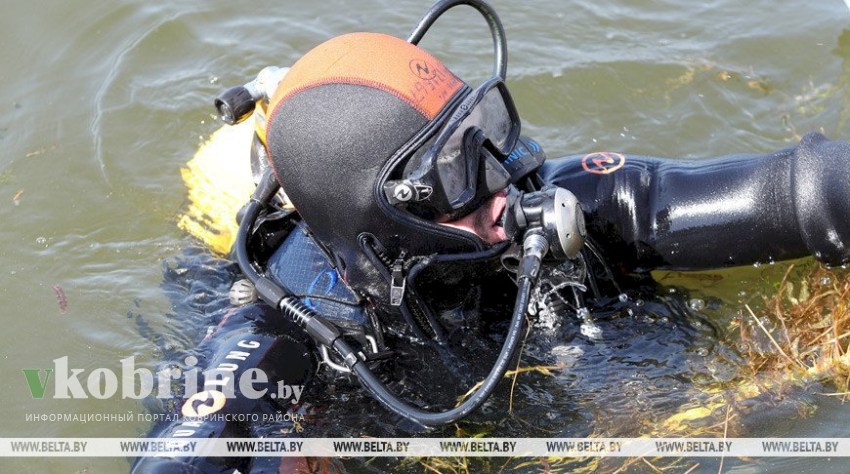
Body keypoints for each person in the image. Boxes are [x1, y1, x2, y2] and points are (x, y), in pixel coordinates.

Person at [132, 2, 850, 472]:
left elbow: (799, 190)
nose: (501, 181)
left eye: (484, 134)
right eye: (452, 170)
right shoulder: (284, 330)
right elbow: (182, 452)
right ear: (383, 221)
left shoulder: (574, 204)